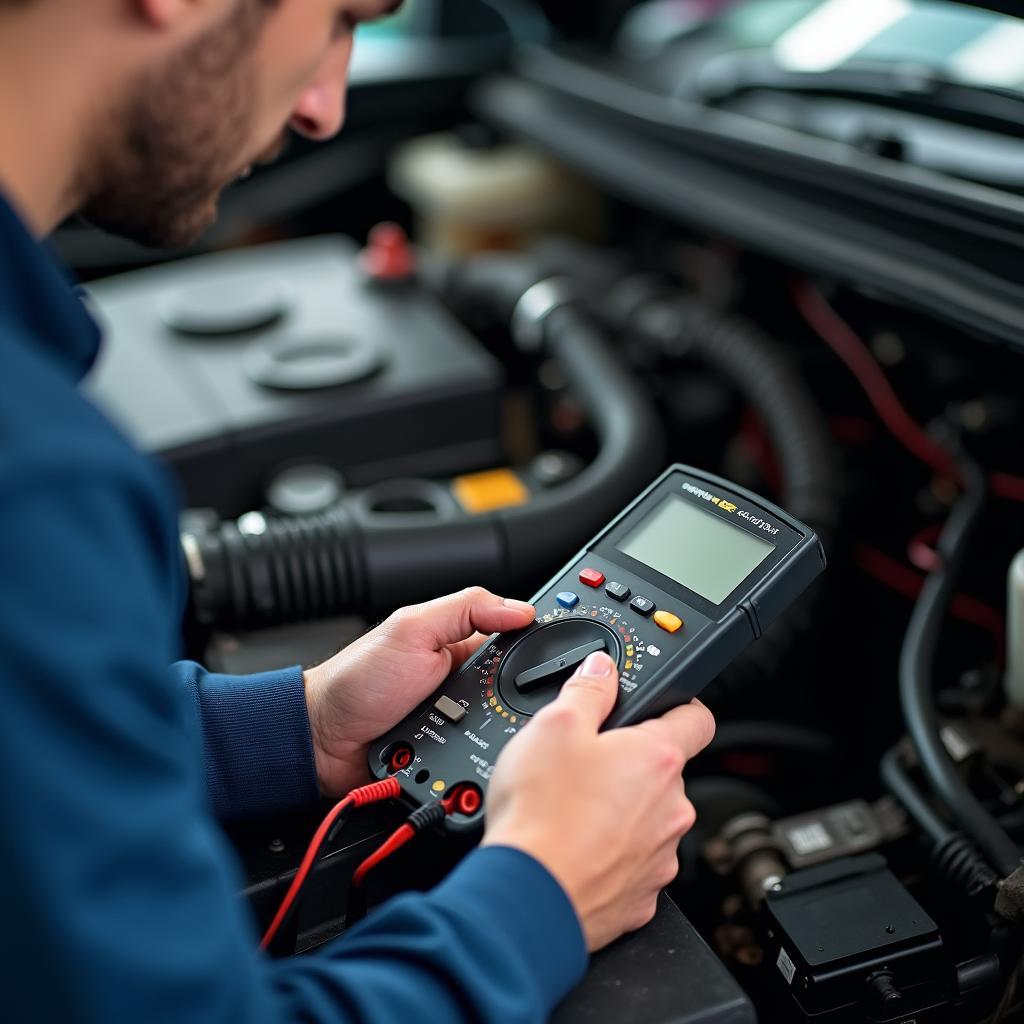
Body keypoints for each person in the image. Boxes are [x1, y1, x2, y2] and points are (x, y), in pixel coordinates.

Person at [0, 1, 716, 1021]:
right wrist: (541, 894)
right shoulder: (34, 477)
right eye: (340, 16)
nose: (326, 108)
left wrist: (295, 728)